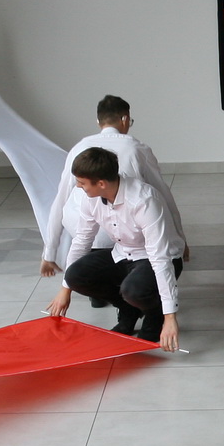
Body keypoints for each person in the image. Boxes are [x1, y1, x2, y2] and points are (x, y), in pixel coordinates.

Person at [45, 147, 182, 352]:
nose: (78, 186)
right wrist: (66, 289)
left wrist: (170, 317)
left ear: (101, 183)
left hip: (158, 257)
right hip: (122, 253)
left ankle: (155, 315)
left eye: (82, 182)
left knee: (134, 290)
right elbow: (82, 240)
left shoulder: (144, 201)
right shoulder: (90, 198)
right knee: (75, 275)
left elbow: (160, 258)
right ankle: (129, 309)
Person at [41, 94, 188, 277]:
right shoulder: (137, 148)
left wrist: (49, 253)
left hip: (83, 233)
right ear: (125, 119)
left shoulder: (79, 148)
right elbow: (162, 193)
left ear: (98, 121)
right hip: (125, 236)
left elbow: (60, 201)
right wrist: (180, 238)